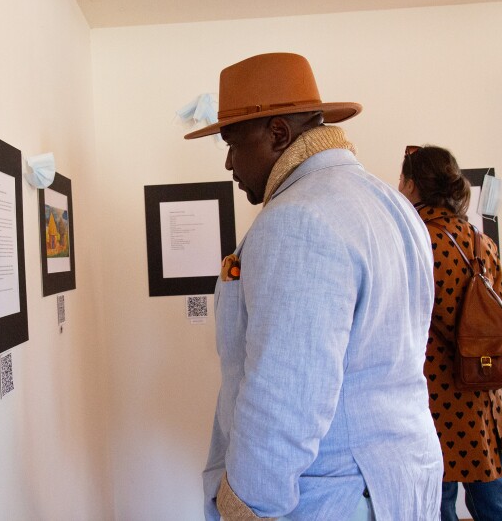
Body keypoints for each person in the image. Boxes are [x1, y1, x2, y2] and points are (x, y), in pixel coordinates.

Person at [186, 52, 443, 520]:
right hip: (400, 481)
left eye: (233, 143)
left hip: (334, 495)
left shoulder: (297, 218)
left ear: (278, 134)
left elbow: (284, 396)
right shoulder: (393, 204)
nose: (228, 162)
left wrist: (247, 507)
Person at [399, 145, 502, 521]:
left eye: (403, 178)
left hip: (434, 393)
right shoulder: (480, 241)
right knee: (493, 496)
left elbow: (400, 323)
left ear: (414, 185)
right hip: (482, 388)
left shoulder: (415, 240)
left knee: (436, 501)